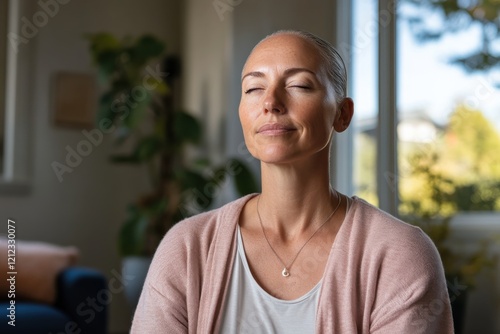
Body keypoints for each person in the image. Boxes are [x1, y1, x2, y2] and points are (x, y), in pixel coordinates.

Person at [131, 30, 454, 333]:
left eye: (299, 85)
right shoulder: (187, 248)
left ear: (342, 114)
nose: (270, 102)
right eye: (254, 88)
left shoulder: (400, 255)